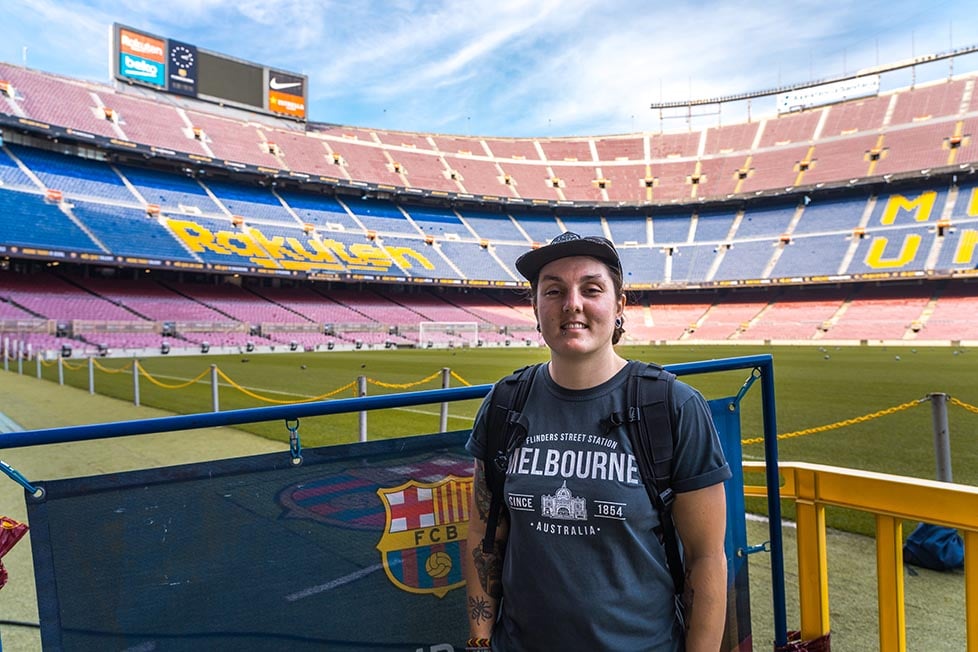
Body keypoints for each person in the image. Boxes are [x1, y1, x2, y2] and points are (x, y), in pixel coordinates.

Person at [463, 232, 731, 651]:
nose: (572, 304)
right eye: (553, 290)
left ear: (619, 305)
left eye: (591, 289)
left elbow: (706, 558)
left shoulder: (673, 407)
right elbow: (485, 537)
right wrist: (480, 643)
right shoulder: (504, 403)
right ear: (535, 308)